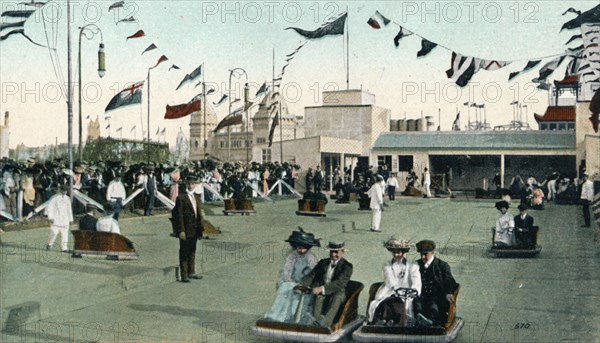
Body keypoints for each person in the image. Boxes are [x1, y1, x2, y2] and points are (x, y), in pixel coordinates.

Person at [263, 228, 319, 324]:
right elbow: (287, 270)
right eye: (299, 248)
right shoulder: (292, 255)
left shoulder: (310, 258)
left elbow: (312, 273)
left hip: (305, 283)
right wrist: (288, 280)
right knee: (285, 288)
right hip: (292, 281)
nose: (301, 250)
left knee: (298, 295)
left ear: (308, 248)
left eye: (303, 248)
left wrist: (302, 284)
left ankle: (295, 318)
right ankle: (278, 316)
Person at [299, 241, 353, 328]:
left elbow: (340, 283)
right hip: (323, 289)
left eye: (336, 252)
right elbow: (312, 275)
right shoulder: (323, 262)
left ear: (342, 252)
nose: (333, 254)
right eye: (331, 251)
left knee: (336, 299)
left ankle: (326, 324)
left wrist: (322, 289)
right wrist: (303, 284)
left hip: (337, 291)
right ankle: (316, 322)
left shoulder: (347, 266)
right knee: (319, 297)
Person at [368, 238, 421, 325]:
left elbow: (416, 279)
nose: (396, 255)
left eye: (398, 252)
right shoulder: (387, 264)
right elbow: (389, 279)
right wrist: (397, 290)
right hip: (390, 289)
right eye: (394, 252)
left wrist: (414, 289)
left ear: (403, 253)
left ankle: (400, 321)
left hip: (408, 290)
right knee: (385, 301)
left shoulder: (412, 265)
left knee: (407, 303)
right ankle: (385, 320)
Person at [413, 240, 458, 327]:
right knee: (417, 303)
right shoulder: (417, 265)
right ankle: (418, 320)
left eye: (425, 254)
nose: (423, 257)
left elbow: (450, 281)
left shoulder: (442, 265)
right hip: (421, 295)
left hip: (437, 296)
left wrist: (448, 293)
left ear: (432, 252)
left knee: (433, 305)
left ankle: (432, 321)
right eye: (421, 254)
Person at [174, 176, 204, 283]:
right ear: (186, 185)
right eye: (189, 184)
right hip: (186, 229)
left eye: (192, 183)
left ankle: (192, 271)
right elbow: (179, 215)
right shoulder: (181, 198)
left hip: (195, 229)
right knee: (184, 251)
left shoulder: (197, 197)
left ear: (195, 184)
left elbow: (199, 214)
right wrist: (181, 230)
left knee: (192, 250)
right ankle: (184, 274)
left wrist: (201, 228)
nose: (191, 185)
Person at [45, 184, 73, 252]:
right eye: (63, 190)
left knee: (65, 234)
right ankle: (50, 244)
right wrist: (50, 217)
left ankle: (64, 248)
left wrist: (71, 219)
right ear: (60, 190)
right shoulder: (54, 197)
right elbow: (49, 208)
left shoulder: (67, 198)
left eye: (66, 191)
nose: (64, 192)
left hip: (65, 218)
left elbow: (69, 209)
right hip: (56, 218)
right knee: (54, 232)